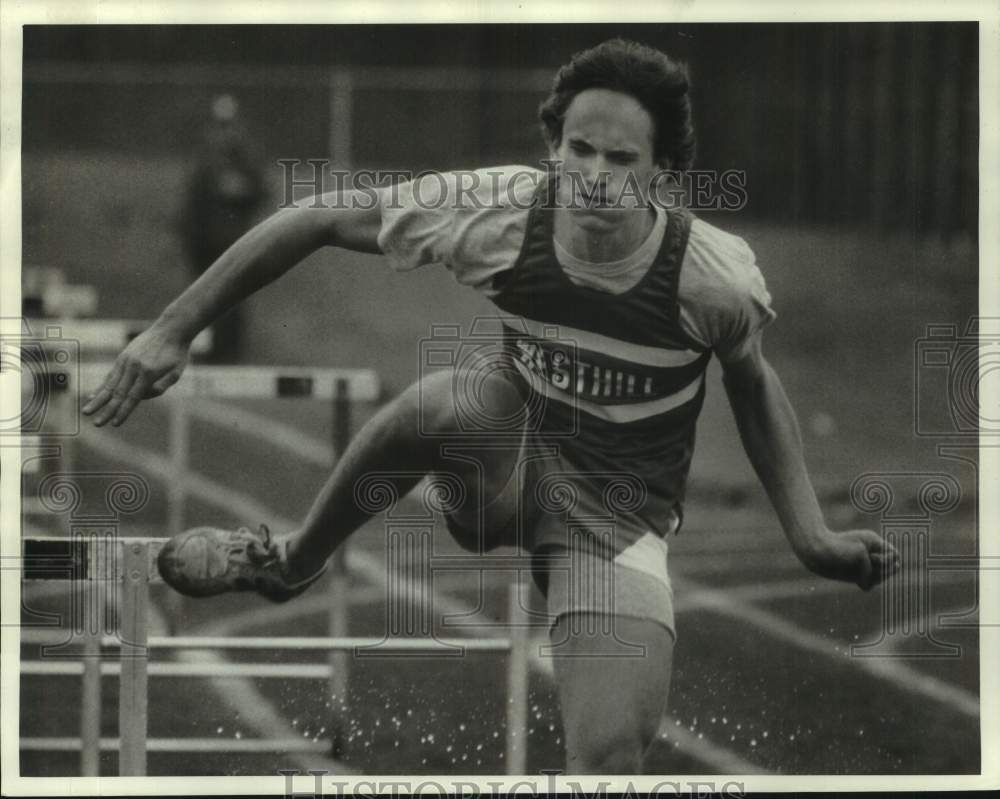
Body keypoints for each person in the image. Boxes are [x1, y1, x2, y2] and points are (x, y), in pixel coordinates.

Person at [82, 39, 900, 774]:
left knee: (610, 755)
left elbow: (753, 384)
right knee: (454, 398)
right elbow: (320, 215)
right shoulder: (502, 210)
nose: (596, 176)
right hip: (503, 466)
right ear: (553, 146)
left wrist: (810, 533)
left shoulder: (711, 277)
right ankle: (295, 560)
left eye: (622, 158)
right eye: (579, 148)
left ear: (663, 174)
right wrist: (173, 328)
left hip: (614, 518)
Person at [178, 94, 265, 363]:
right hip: (203, 236)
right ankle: (208, 348)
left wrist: (238, 190)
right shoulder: (206, 151)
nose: (223, 129)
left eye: (227, 123)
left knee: (230, 295)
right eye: (219, 123)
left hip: (230, 237)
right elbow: (194, 194)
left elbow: (260, 189)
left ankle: (228, 351)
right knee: (202, 293)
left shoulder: (244, 151)